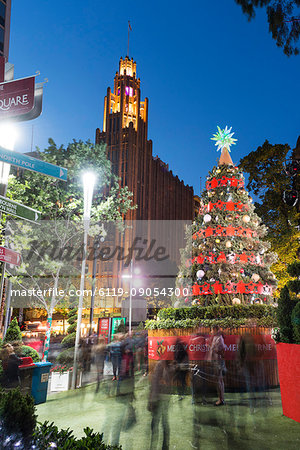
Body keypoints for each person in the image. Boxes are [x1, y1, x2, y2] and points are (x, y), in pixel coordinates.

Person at [148, 359, 173, 450]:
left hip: (159, 398)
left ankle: (153, 446)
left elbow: (155, 384)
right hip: (165, 397)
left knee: (155, 423)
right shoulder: (170, 365)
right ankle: (165, 446)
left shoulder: (160, 365)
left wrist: (152, 399)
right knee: (164, 422)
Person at [208, 326, 226, 406]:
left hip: (218, 362)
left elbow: (222, 352)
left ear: (215, 330)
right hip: (216, 362)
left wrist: (211, 348)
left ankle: (221, 399)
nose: (211, 332)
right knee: (219, 380)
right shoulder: (216, 338)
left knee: (219, 380)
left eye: (211, 330)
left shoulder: (219, 338)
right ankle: (221, 398)